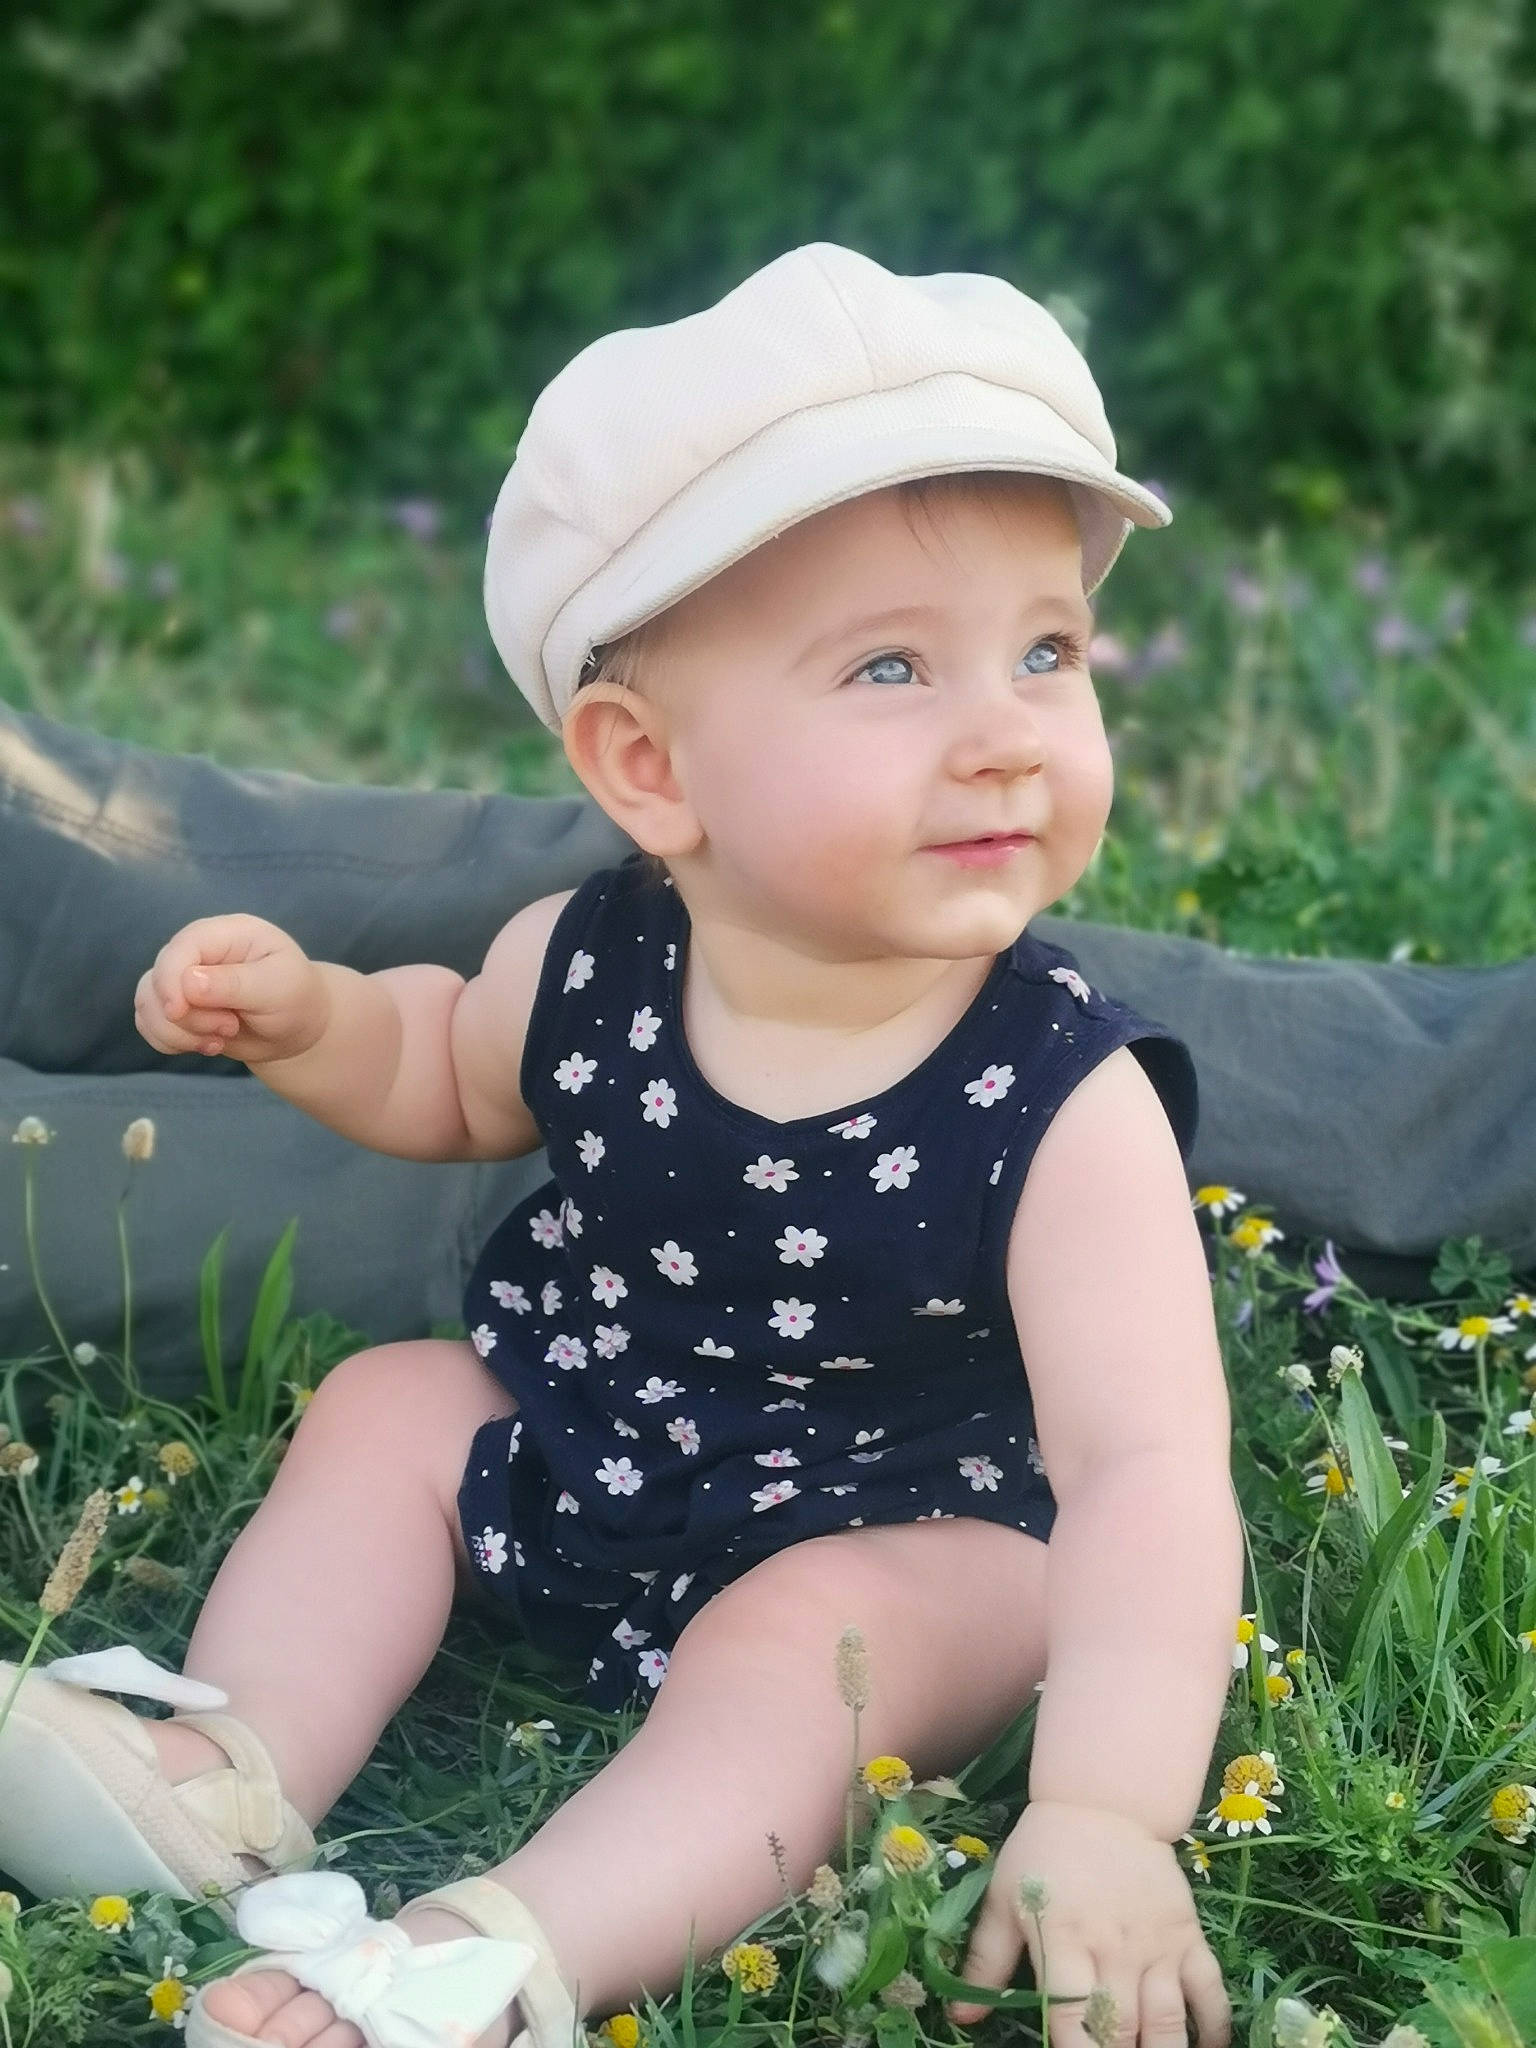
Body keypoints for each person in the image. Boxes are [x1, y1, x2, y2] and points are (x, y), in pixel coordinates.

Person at [0, 241, 1498, 2048]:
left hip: (924, 1537)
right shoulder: (585, 963)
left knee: (815, 1637)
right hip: (600, 1447)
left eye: (1047, 652)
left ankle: (498, 1951)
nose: (1008, 736)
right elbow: (447, 1074)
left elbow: (1144, 1475)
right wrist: (318, 1022)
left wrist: (1107, 1808)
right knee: (393, 1406)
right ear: (649, 770)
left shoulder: (1062, 1098)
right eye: (894, 668)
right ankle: (231, 1772)